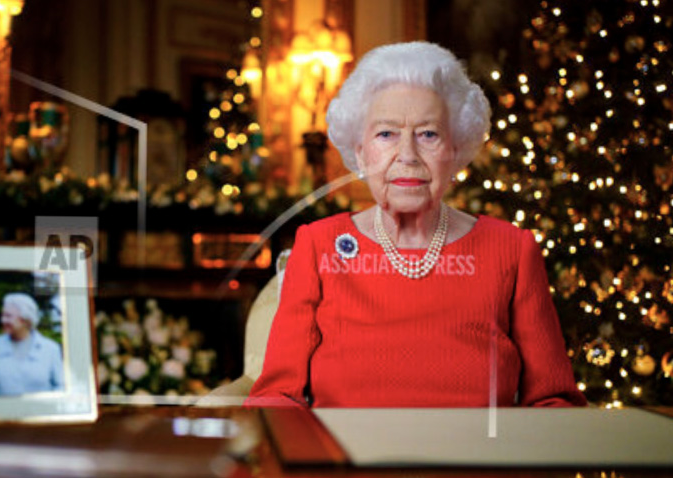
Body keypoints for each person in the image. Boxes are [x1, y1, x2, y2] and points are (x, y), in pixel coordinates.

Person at [246, 42, 586, 408]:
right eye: (386, 134)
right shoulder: (319, 245)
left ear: (454, 150)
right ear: (360, 152)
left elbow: (554, 402)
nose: (407, 156)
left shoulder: (511, 250)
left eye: (428, 134)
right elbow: (277, 399)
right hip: (348, 463)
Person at [0, 293, 64, 395]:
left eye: (8, 316)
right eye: (3, 315)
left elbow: (61, 386)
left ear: (25, 320)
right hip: (2, 410)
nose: (3, 320)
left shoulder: (50, 349)